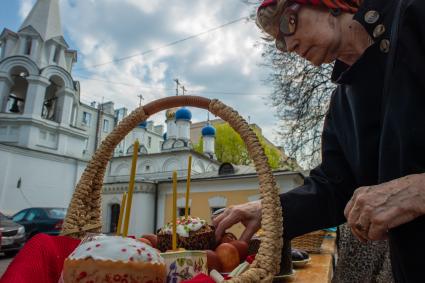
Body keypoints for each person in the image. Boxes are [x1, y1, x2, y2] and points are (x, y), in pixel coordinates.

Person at [213, 0, 425, 282]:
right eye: (280, 42)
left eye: (289, 23)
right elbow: (333, 188)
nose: (289, 47)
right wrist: (270, 210)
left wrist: (417, 191)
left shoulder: (414, 16)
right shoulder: (342, 103)